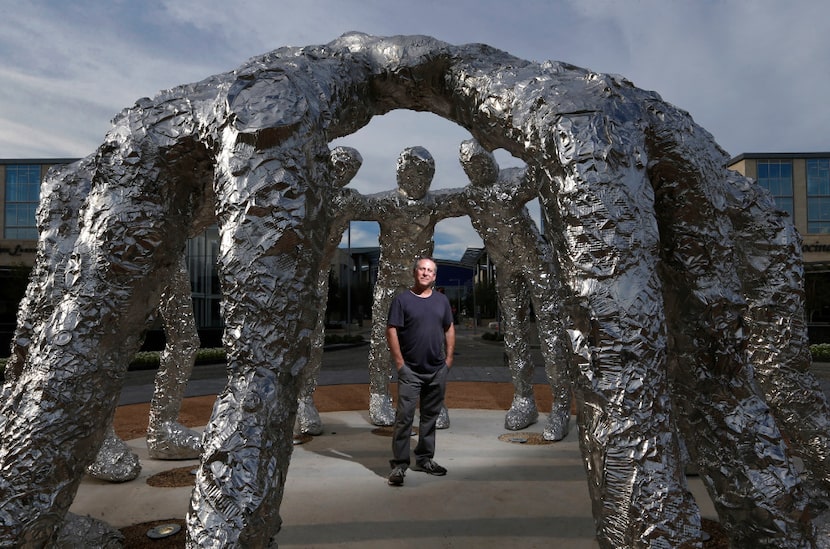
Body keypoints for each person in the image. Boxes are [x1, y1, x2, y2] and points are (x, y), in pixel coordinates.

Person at [386, 257, 455, 486]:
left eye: (430, 270)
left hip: (437, 370)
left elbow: (449, 328)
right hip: (411, 372)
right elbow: (392, 330)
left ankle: (424, 459)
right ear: (415, 273)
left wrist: (448, 360)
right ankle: (399, 465)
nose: (425, 273)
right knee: (404, 417)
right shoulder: (402, 300)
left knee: (429, 418)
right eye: (422, 269)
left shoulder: (442, 301)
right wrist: (399, 364)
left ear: (434, 276)